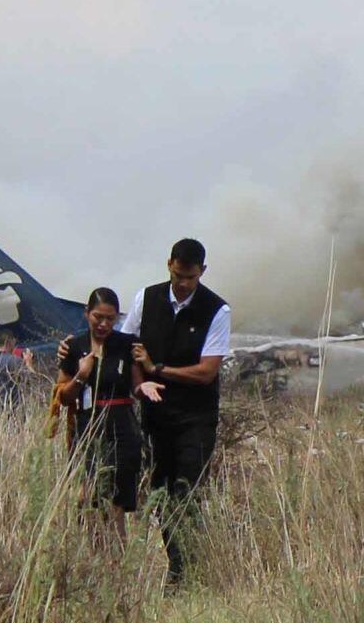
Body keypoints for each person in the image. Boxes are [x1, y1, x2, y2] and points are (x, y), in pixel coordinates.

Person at [123, 238, 231, 584]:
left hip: (195, 418)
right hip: (156, 416)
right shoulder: (147, 298)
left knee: (186, 490)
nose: (183, 284)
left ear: (203, 272)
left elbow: (206, 372)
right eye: (178, 274)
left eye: (190, 277)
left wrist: (159, 371)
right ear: (169, 263)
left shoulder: (217, 310)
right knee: (161, 490)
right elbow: (130, 348)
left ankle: (189, 568)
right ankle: (177, 566)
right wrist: (140, 384)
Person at [54, 288, 165, 541]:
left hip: (121, 425)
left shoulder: (126, 344)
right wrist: (81, 376)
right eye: (98, 317)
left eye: (110, 318)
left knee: (116, 498)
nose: (104, 324)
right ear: (86, 314)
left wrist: (144, 386)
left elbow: (136, 386)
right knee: (88, 495)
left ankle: (116, 558)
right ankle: (91, 552)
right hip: (87, 425)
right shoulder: (74, 347)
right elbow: (62, 396)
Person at [0, 329, 35, 410]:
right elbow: (32, 382)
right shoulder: (15, 361)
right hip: (12, 409)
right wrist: (28, 363)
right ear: (9, 342)